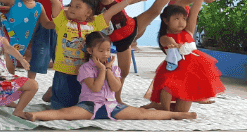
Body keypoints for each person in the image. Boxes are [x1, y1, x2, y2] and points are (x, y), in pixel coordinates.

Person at [29, 32, 196, 122]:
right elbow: (95, 88)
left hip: (112, 106)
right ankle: (35, 116)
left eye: (108, 50)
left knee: (142, 113)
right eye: (101, 51)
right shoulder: (85, 68)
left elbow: (116, 87)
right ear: (90, 51)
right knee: (64, 113)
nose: (105, 54)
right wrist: (102, 69)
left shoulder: (113, 67)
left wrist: (108, 69)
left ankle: (178, 115)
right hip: (88, 106)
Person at [89, 0, 189, 103]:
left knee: (155, 11)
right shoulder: (96, 6)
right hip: (121, 41)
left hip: (133, 26)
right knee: (123, 72)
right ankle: (115, 98)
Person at [43, 0, 141, 110]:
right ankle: (52, 94)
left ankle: (52, 92)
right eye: (71, 5)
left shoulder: (94, 24)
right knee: (61, 107)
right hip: (64, 72)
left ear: (89, 12)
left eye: (77, 6)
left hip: (86, 73)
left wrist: (129, 1)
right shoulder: (63, 22)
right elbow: (55, 1)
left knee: (81, 106)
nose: (72, 9)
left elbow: (111, 11)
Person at [147, 0, 224, 113]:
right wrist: (173, 43)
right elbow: (167, 41)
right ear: (166, 20)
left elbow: (194, 11)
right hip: (173, 70)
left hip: (191, 72)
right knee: (167, 87)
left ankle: (158, 107)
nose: (181, 22)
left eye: (183, 18)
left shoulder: (188, 31)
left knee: (182, 111)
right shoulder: (164, 37)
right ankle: (162, 107)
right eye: (176, 19)